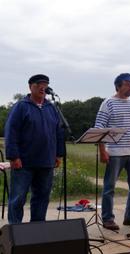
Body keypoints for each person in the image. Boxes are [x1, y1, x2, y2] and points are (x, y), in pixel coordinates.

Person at [5, 74, 64, 224]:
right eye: (39, 84)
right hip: (24, 162)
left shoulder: (51, 107)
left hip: (46, 161)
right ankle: (15, 232)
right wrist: (13, 157)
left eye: (45, 84)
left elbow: (58, 131)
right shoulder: (21, 106)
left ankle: (37, 231)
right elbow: (11, 132)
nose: (42, 87)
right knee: (18, 198)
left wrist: (58, 154)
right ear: (30, 86)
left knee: (42, 197)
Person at [94, 73, 130, 230]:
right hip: (115, 152)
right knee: (109, 187)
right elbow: (100, 128)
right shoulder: (108, 103)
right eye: (126, 84)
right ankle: (107, 218)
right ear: (118, 86)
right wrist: (103, 151)